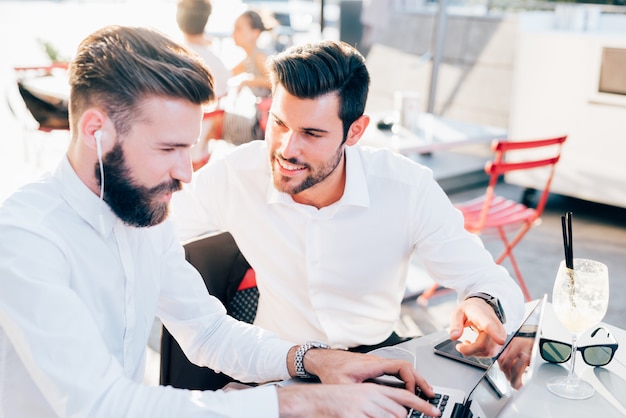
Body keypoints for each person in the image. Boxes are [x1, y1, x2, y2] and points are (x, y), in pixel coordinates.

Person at [0, 25, 444, 418]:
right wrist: (300, 402)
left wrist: (316, 360)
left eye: (188, 148)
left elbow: (208, 330)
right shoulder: (26, 238)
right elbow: (99, 405)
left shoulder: (143, 218)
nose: (186, 172)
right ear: (97, 131)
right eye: (168, 149)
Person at [173, 40, 526, 356]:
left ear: (354, 131)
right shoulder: (237, 174)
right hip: (279, 362)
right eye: (279, 123)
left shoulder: (407, 188)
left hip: (376, 357)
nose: (286, 148)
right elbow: (154, 227)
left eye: (311, 133)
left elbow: (487, 279)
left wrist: (484, 303)